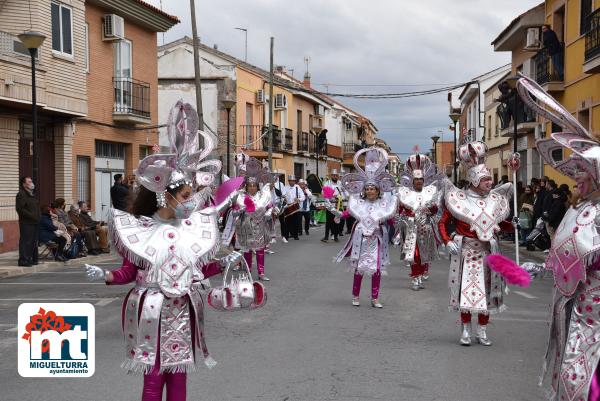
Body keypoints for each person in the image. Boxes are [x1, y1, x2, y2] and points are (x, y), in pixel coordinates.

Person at [84, 101, 250, 401]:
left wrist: (225, 259)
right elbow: (128, 272)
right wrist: (105, 275)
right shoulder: (140, 230)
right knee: (154, 376)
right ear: (166, 196)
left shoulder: (191, 229)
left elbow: (200, 269)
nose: (193, 203)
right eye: (187, 196)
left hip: (182, 312)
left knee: (179, 376)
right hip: (152, 311)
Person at [517, 74, 600, 401]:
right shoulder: (580, 210)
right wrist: (543, 268)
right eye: (575, 171)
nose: (576, 177)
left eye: (582, 171)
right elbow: (567, 255)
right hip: (579, 309)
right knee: (574, 373)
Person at [438, 140, 514, 346]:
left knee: (488, 293)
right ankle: (465, 330)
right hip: (467, 253)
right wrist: (447, 241)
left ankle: (482, 331)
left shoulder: (495, 199)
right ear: (474, 180)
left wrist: (512, 225)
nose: (491, 182)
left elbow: (502, 225)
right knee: (466, 292)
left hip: (489, 253)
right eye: (486, 179)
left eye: (490, 179)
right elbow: (443, 223)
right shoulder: (458, 198)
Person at [331, 147, 398, 308]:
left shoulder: (384, 204)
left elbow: (390, 218)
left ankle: (375, 298)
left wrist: (397, 232)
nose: (369, 191)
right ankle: (356, 295)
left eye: (372, 189)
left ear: (378, 190)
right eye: (367, 189)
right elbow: (350, 212)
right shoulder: (358, 202)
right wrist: (339, 214)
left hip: (377, 239)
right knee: (359, 268)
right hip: (360, 238)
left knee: (376, 269)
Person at [394, 153, 441, 290]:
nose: (419, 181)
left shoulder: (430, 193)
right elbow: (399, 211)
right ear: (412, 181)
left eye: (421, 179)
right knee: (413, 254)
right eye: (416, 180)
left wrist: (430, 210)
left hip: (425, 228)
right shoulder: (405, 194)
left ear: (423, 180)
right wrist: (401, 222)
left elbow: (435, 210)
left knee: (423, 254)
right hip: (410, 229)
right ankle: (415, 278)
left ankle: (419, 276)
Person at [226, 157, 274, 281]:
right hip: (246, 228)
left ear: (257, 186)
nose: (252, 188)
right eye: (250, 186)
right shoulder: (240, 196)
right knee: (247, 251)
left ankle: (261, 273)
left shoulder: (262, 195)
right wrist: (239, 210)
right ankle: (248, 272)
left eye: (254, 186)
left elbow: (270, 207)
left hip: (260, 227)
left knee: (260, 250)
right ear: (246, 187)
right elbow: (234, 213)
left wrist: (269, 212)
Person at [15, 176, 40, 267]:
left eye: (31, 181)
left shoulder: (32, 194)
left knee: (33, 241)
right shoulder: (21, 194)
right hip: (26, 222)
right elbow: (20, 209)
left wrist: (38, 217)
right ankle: (23, 260)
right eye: (29, 182)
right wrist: (32, 216)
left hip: (35, 222)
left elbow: (36, 208)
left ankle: (30, 259)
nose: (31, 183)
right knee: (26, 241)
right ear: (24, 184)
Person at [321, 169, 345, 243]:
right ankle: (326, 236)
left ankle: (335, 236)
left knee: (337, 221)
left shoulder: (340, 183)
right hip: (330, 205)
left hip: (338, 205)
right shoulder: (327, 183)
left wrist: (341, 198)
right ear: (331, 176)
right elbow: (323, 193)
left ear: (337, 176)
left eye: (336, 175)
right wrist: (330, 200)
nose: (335, 177)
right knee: (328, 222)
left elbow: (344, 194)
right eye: (333, 175)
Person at [283, 175, 304, 241]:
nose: (292, 182)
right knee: (287, 222)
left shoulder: (298, 187)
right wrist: (284, 199)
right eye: (290, 181)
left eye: (293, 181)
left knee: (296, 222)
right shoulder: (285, 187)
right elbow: (283, 196)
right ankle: (286, 236)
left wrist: (298, 199)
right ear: (288, 181)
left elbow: (303, 197)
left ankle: (295, 235)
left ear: (295, 181)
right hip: (288, 207)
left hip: (296, 207)